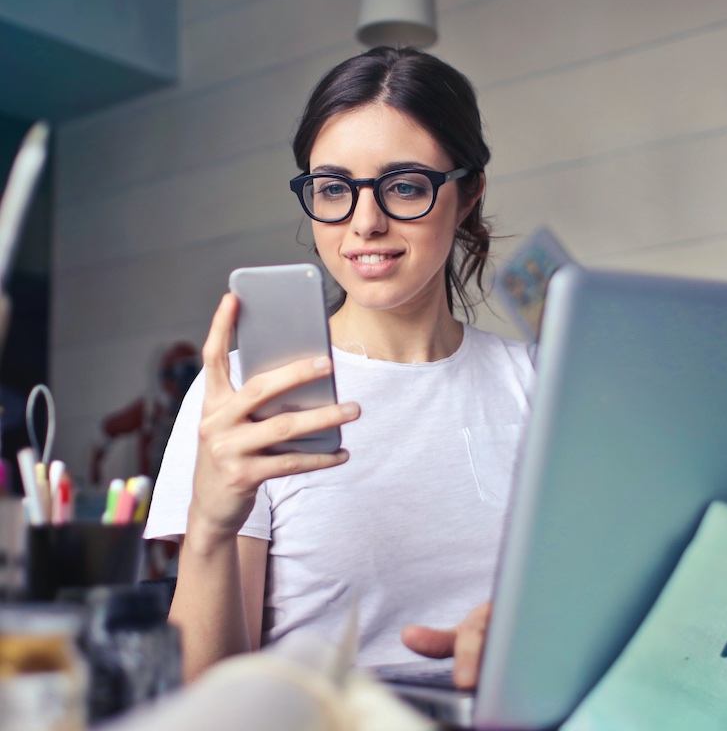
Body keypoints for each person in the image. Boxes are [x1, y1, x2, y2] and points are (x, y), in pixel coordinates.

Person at [144, 46, 536, 687]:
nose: (365, 222)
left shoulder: (540, 386)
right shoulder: (248, 395)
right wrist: (212, 525)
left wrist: (533, 635)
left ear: (468, 195)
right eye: (334, 189)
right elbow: (207, 698)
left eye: (405, 186)